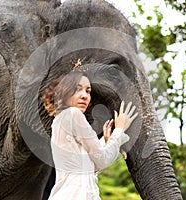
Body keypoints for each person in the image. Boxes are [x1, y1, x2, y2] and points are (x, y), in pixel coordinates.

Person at [43, 70, 138, 200]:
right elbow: (102, 159)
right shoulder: (73, 114)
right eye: (78, 89)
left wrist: (106, 142)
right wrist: (119, 129)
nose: (84, 96)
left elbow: (93, 166)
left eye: (88, 91)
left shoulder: (61, 120)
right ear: (64, 92)